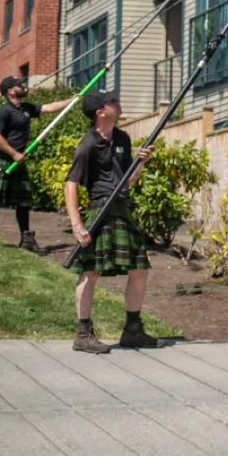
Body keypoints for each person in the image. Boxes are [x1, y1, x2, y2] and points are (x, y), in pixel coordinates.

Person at [64, 90, 157, 355]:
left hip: (121, 208)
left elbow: (127, 182)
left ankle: (132, 330)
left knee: (139, 268)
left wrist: (140, 162)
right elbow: (71, 184)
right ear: (100, 112)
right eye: (111, 102)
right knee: (91, 271)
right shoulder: (88, 144)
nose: (117, 103)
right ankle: (83, 334)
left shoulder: (123, 139)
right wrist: (77, 225)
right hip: (100, 209)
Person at [0, 71, 43, 249]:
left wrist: (76, 99)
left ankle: (26, 239)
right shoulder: (4, 111)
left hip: (18, 162)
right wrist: (14, 154)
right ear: (10, 91)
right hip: (3, 160)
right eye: (19, 84)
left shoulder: (26, 108)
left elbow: (49, 108)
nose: (24, 86)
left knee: (23, 199)